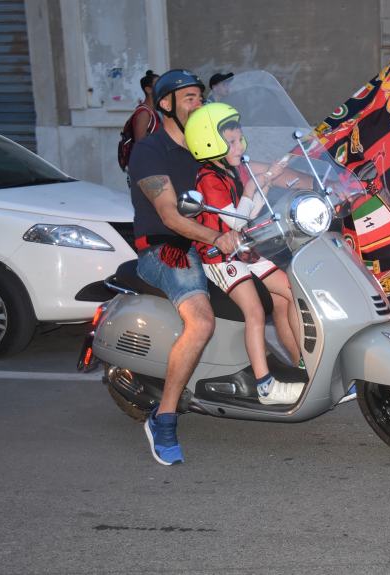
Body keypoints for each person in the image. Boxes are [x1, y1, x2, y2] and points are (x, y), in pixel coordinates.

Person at [127, 69, 240, 466]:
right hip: (167, 248)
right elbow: (171, 216)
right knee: (201, 322)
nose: (199, 104)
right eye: (189, 98)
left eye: (200, 97)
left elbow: (244, 172)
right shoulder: (150, 151)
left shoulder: (206, 145)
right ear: (166, 105)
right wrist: (215, 239)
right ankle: (165, 417)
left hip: (210, 242)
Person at [184, 103, 306, 405]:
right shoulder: (209, 179)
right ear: (210, 143)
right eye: (234, 142)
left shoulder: (230, 171)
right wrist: (254, 185)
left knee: (292, 291)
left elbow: (248, 216)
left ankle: (304, 363)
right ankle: (265, 385)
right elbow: (234, 221)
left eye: (240, 139)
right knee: (254, 312)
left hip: (243, 247)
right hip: (219, 256)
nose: (242, 146)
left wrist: (262, 183)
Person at [117, 70, 161, 174]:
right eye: (159, 85)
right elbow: (140, 146)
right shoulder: (144, 114)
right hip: (147, 169)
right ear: (148, 90)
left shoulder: (154, 111)